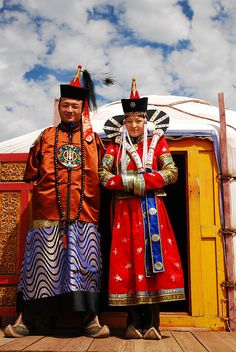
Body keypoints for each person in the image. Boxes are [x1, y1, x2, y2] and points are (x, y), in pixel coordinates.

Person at [4, 65, 110, 338]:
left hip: (84, 215)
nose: (69, 111)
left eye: (75, 106)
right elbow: (30, 172)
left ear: (82, 108)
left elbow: (107, 175)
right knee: (39, 265)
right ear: (59, 107)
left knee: (85, 265)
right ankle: (25, 320)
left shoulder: (94, 141)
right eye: (65, 106)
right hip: (47, 213)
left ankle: (90, 320)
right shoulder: (45, 137)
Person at [99, 78, 185, 340]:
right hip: (125, 213)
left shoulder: (158, 143)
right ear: (124, 122)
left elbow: (172, 173)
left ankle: (153, 324)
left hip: (153, 212)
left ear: (145, 121)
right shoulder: (115, 145)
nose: (134, 125)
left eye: (138, 120)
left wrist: (140, 182)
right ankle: (132, 323)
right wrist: (128, 181)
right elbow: (102, 175)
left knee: (152, 261)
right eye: (129, 121)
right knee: (128, 261)